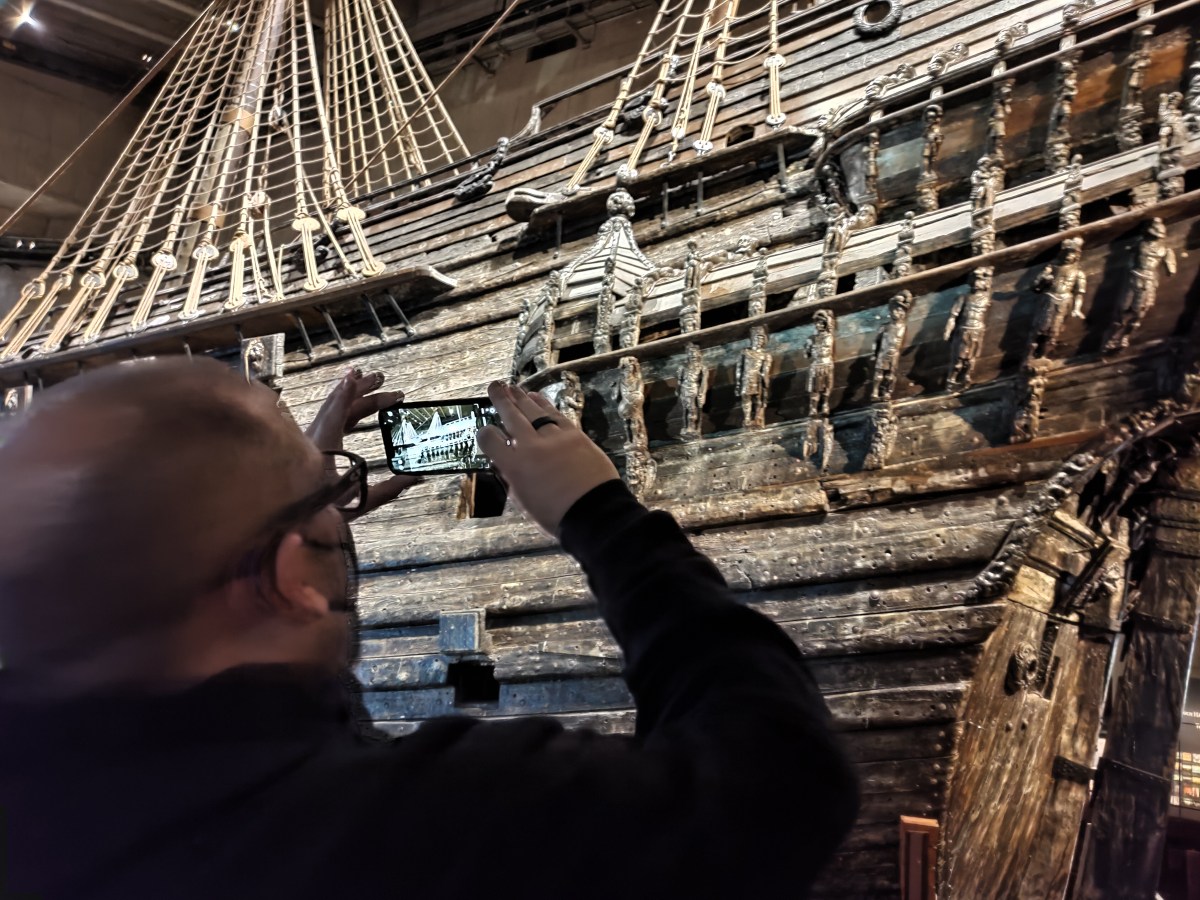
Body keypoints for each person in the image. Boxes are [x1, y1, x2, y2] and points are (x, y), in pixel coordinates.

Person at [0, 357, 857, 899]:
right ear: (291, 579)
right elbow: (780, 780)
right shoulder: (426, 829)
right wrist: (600, 513)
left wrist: (268, 507)